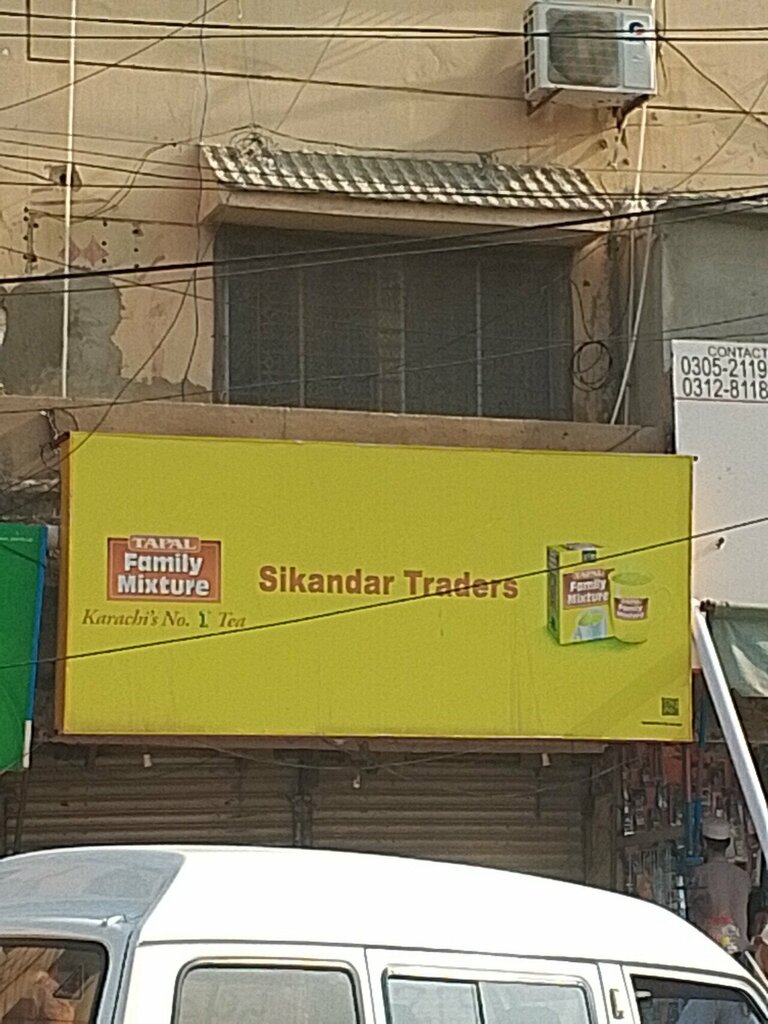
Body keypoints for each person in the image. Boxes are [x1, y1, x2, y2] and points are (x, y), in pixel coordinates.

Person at [689, 818, 751, 953]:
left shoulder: (699, 875)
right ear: (728, 844)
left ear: (704, 844)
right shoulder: (742, 876)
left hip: (712, 948)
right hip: (740, 947)